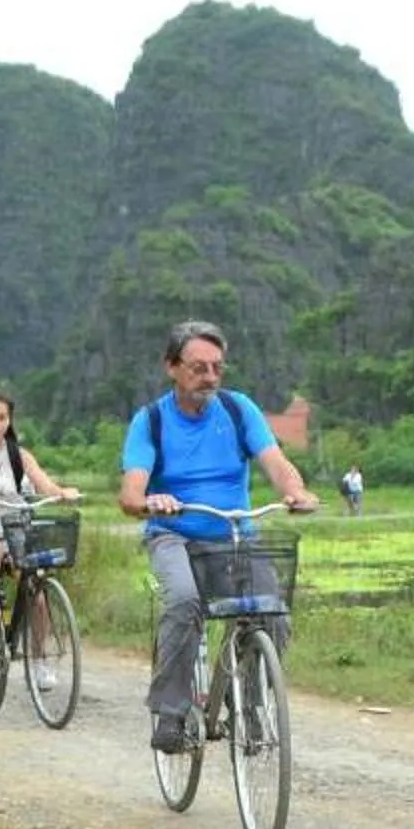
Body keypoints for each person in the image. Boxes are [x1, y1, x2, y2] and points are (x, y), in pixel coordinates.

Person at [121, 321, 318, 753]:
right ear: (172, 367)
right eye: (197, 368)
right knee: (185, 601)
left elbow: (275, 462)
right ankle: (171, 712)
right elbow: (131, 492)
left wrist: (295, 491)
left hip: (234, 533)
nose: (209, 377)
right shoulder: (150, 420)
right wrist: (152, 501)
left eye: (216, 368)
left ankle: (248, 710)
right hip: (174, 535)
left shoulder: (237, 408)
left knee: (273, 612)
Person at [0, 391, 81, 628]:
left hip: (16, 533)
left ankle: (39, 661)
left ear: (9, 420)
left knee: (37, 596)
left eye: (2, 417)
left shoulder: (18, 454)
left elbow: (44, 483)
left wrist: (62, 493)